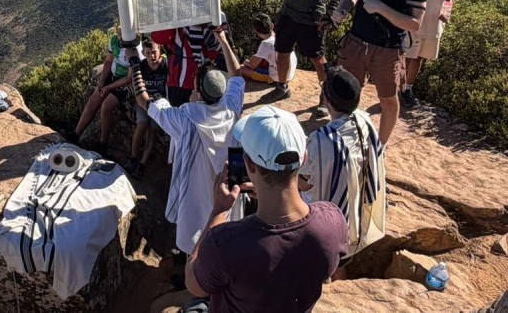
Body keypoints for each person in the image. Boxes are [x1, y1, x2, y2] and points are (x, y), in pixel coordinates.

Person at [183, 106, 348, 313]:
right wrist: (269, 195)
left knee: (194, 306)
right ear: (303, 159)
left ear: (249, 165)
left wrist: (218, 211)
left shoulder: (224, 243)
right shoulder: (332, 221)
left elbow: (193, 283)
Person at [130, 28, 244, 255]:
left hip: (194, 189)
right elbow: (237, 75)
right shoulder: (231, 108)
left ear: (199, 93)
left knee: (193, 232)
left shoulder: (185, 118)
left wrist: (134, 63)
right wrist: (222, 40)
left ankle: (193, 275)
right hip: (228, 185)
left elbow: (144, 100)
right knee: (227, 232)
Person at [332, 0, 429, 145]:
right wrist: (342, 9)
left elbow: (415, 24)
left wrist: (382, 9)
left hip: (387, 48)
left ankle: (380, 146)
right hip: (356, 40)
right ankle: (342, 141)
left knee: (388, 99)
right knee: (342, 95)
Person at [299, 67, 386, 279]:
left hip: (328, 225)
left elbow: (305, 184)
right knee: (339, 264)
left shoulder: (322, 139)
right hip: (356, 214)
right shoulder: (365, 121)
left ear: (327, 101)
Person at [401, 0, 458, 107]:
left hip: (433, 26)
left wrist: (446, 13)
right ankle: (398, 87)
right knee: (406, 57)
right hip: (412, 23)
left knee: (418, 58)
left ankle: (407, 89)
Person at [73, 26, 142, 155]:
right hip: (113, 75)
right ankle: (75, 135)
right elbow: (108, 61)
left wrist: (109, 87)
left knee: (106, 106)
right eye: (119, 33)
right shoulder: (114, 40)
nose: (121, 36)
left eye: (124, 33)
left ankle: (103, 144)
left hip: (129, 83)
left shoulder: (135, 48)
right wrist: (102, 81)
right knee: (93, 100)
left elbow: (129, 78)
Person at [125, 39, 168, 180]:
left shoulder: (166, 65)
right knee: (141, 125)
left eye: (154, 52)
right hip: (143, 103)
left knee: (152, 132)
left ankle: (142, 164)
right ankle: (133, 158)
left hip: (160, 104)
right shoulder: (141, 67)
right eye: (148, 53)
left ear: (160, 51)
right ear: (143, 53)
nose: (152, 56)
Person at [239, 13, 297, 85]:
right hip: (290, 73)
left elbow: (252, 65)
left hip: (277, 78)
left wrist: (246, 62)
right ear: (272, 25)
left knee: (240, 68)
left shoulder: (266, 43)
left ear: (257, 32)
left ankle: (268, 79)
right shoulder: (280, 37)